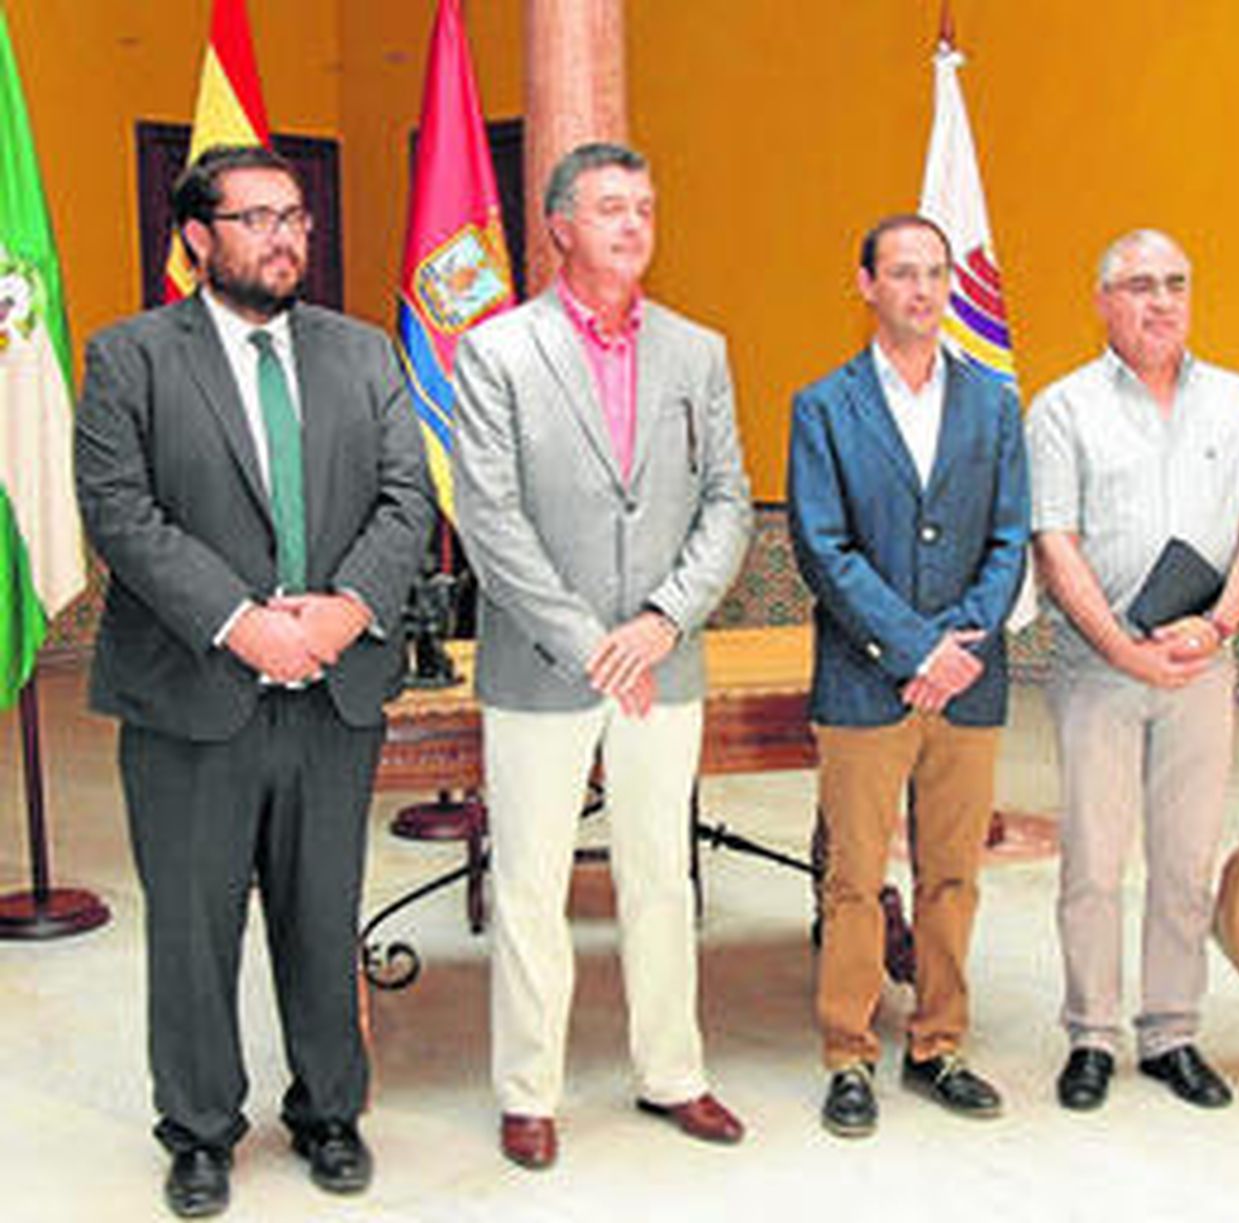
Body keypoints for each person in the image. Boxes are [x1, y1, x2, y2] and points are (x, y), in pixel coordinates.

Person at [74, 144, 436, 1217]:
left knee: (324, 913)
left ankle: (329, 1111)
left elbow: (407, 499)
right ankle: (197, 1129)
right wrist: (241, 623)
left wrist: (341, 611)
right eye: (257, 217)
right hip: (191, 695)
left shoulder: (362, 353)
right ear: (196, 236)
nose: (286, 236)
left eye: (297, 217)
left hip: (333, 690)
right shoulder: (128, 356)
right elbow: (122, 512)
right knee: (192, 925)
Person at [451, 142, 753, 1170]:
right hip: (545, 663)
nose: (633, 224)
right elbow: (487, 515)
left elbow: (726, 501)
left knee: (660, 873)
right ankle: (527, 1087)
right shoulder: (497, 351)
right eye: (611, 207)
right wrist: (591, 642)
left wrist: (664, 619)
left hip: (662, 661)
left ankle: (673, 1071)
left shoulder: (697, 350)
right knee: (530, 880)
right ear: (560, 226)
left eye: (646, 207)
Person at [1028, 228, 1239, 1113]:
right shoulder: (1062, 408)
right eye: (1139, 285)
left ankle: (1172, 1030)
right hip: (1098, 667)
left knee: (1185, 863)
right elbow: (1055, 542)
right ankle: (1091, 1034)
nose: (1161, 300)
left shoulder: (1237, 400)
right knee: (1094, 862)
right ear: (1103, 301)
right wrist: (1120, 645)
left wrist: (1217, 627)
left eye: (1175, 282)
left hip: (1199, 667)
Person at [788, 214, 1029, 1138]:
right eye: (902, 273)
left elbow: (1010, 536)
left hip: (970, 679)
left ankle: (939, 1042)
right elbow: (823, 544)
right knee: (854, 878)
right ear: (866, 285)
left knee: (952, 873)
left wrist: (958, 644)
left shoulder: (994, 403)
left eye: (935, 274)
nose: (922, 291)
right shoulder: (825, 405)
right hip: (865, 680)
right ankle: (848, 1051)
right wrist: (913, 647)